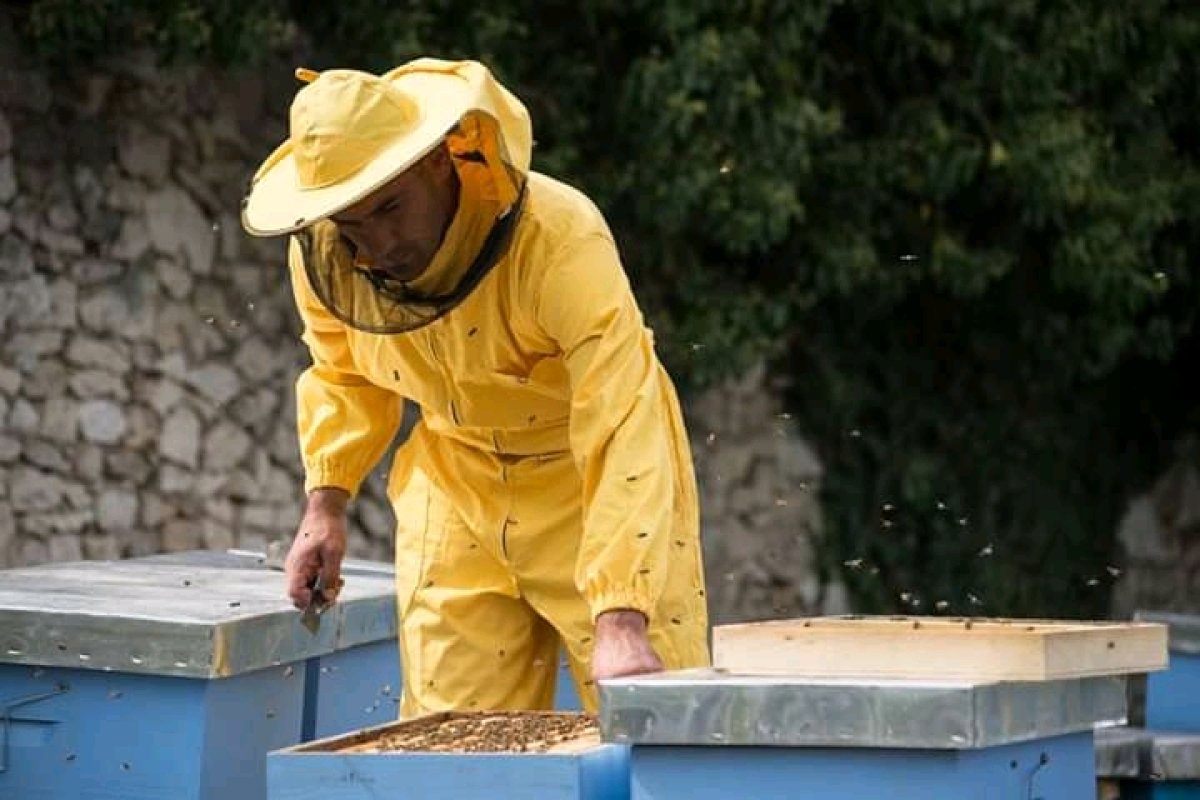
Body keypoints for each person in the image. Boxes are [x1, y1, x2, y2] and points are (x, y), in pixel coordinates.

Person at [239, 57, 710, 716]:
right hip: (455, 482)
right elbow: (342, 372)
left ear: (440, 161)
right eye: (352, 224)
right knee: (447, 742)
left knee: (651, 724)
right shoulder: (327, 256)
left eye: (390, 207)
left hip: (588, 481)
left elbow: (622, 420)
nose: (376, 245)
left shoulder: (560, 239)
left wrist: (623, 615)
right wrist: (327, 505)